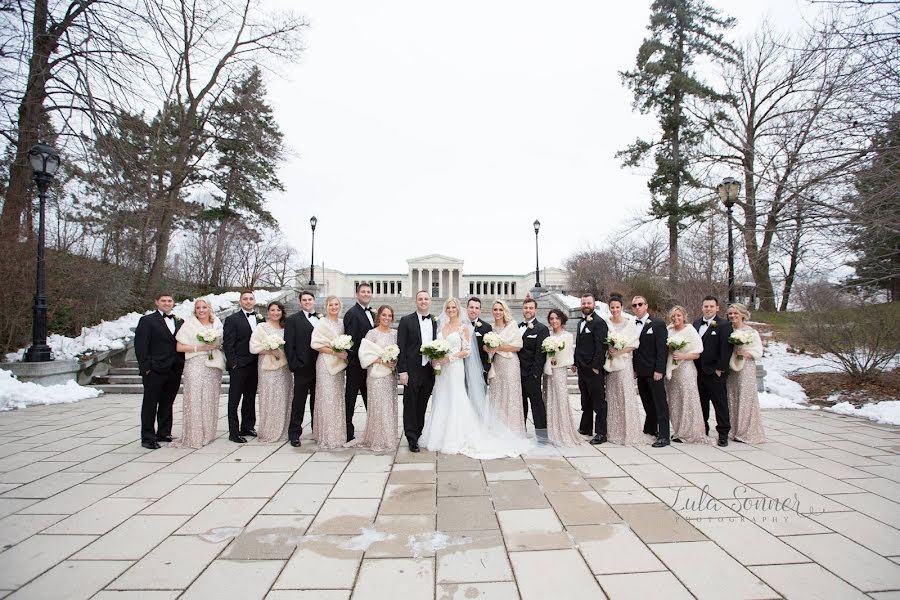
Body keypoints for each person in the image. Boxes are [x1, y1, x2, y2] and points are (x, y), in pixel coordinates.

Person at [419, 297, 532, 458]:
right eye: (448, 307)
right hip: (442, 371)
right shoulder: (441, 326)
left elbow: (467, 351)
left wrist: (448, 359)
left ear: (458, 309)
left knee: (457, 399)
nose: (451, 310)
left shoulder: (463, 327)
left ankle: (457, 436)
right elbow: (437, 347)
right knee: (442, 398)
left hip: (455, 367)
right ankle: (438, 435)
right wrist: (435, 358)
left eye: (453, 307)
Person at [170, 298, 224, 449]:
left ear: (209, 308)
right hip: (195, 363)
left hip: (213, 366)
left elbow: (220, 342)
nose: (201, 310)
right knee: (194, 398)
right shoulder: (189, 324)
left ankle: (208, 433)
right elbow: (179, 347)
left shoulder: (217, 324)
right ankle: (194, 434)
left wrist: (215, 345)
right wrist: (198, 348)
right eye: (198, 308)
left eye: (204, 307)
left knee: (209, 399)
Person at [134, 292, 185, 450]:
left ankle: (164, 432)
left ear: (173, 303)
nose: (167, 303)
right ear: (157, 302)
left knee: (167, 402)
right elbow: (141, 346)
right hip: (154, 369)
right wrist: (146, 368)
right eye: (163, 301)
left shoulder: (179, 321)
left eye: (169, 301)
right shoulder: (147, 321)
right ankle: (147, 437)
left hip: (174, 369)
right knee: (150, 404)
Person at [347, 305, 399, 452]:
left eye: (389, 315)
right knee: (377, 405)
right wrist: (382, 360)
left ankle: (389, 437)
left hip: (389, 376)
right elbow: (364, 354)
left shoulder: (395, 334)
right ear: (379, 317)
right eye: (384, 315)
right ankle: (376, 437)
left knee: (388, 406)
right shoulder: (371, 333)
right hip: (375, 376)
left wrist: (395, 361)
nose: (386, 318)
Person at [604, 294, 652, 446]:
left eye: (617, 307)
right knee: (613, 396)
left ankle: (629, 431)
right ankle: (615, 430)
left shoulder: (629, 323)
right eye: (612, 307)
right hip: (612, 364)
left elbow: (634, 344)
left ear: (622, 308)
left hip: (624, 363)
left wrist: (620, 351)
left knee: (626, 395)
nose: (615, 310)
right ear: (609, 308)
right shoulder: (606, 323)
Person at [397, 291, 437, 452]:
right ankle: (411, 437)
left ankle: (419, 433)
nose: (423, 301)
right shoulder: (406, 321)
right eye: (420, 299)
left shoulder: (436, 321)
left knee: (422, 404)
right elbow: (401, 346)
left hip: (429, 370)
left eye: (426, 299)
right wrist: (402, 371)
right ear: (416, 301)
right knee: (410, 404)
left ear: (430, 301)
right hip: (412, 370)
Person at [665, 306, 710, 445]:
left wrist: (683, 355)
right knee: (674, 401)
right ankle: (679, 431)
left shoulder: (690, 330)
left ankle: (691, 432)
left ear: (684, 316)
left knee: (687, 399)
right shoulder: (669, 330)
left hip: (686, 369)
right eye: (673, 316)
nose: (676, 318)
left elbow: (697, 353)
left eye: (678, 315)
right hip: (672, 370)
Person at [310, 296, 349, 450]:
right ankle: (326, 434)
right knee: (326, 397)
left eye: (336, 304)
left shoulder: (341, 323)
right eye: (331, 305)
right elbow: (315, 344)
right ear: (326, 307)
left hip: (338, 366)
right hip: (325, 364)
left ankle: (337, 433)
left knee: (336, 397)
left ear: (340, 306)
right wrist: (335, 352)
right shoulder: (322, 323)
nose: (334, 307)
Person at [250, 301, 292, 443]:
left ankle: (283, 429)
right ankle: (268, 430)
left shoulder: (286, 327)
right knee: (269, 397)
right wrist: (270, 350)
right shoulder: (262, 327)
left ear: (282, 312)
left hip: (283, 367)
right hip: (267, 367)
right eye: (273, 310)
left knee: (283, 397)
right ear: (268, 312)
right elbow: (253, 348)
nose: (275, 313)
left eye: (278, 310)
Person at [693, 296, 733, 446]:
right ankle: (703, 430)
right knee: (701, 403)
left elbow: (726, 350)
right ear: (702, 307)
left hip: (714, 372)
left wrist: (720, 369)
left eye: (711, 306)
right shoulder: (696, 324)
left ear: (717, 308)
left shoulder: (724, 325)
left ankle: (723, 433)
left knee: (720, 404)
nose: (708, 309)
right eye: (705, 306)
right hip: (698, 371)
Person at [632, 295, 671, 448]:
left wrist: (659, 370)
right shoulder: (632, 325)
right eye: (634, 305)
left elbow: (662, 349)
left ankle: (664, 435)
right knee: (647, 403)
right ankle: (650, 430)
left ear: (646, 306)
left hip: (654, 371)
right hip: (640, 372)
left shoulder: (657, 324)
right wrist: (634, 369)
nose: (637, 307)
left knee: (660, 404)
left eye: (640, 304)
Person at [223, 290, 260, 443]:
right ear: (240, 301)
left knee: (250, 398)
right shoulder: (232, 319)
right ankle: (233, 432)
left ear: (255, 301)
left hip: (255, 365)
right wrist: (233, 363)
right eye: (245, 299)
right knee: (234, 399)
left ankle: (248, 426)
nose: (248, 301)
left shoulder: (260, 318)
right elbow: (228, 343)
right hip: (239, 365)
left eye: (251, 299)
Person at [726, 303, 766, 444]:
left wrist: (745, 353)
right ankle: (735, 429)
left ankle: (746, 431)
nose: (732, 316)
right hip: (731, 367)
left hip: (746, 367)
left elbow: (758, 351)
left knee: (746, 397)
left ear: (742, 314)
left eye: (735, 313)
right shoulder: (727, 330)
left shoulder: (750, 332)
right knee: (732, 396)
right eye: (730, 313)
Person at [542, 309, 583, 447]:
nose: (554, 321)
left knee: (560, 398)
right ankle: (551, 429)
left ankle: (563, 430)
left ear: (562, 320)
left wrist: (555, 357)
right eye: (551, 318)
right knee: (549, 398)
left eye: (556, 318)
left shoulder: (567, 336)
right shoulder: (548, 335)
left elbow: (567, 355)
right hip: (549, 371)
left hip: (559, 371)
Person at [284, 291, 320, 447]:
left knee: (316, 401)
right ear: (300, 302)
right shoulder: (292, 320)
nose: (307, 302)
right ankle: (294, 433)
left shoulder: (320, 319)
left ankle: (316, 430)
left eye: (309, 299)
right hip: (302, 367)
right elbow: (289, 344)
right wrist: (294, 365)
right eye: (304, 300)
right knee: (299, 401)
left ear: (314, 301)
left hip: (319, 366)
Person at [574, 293, 609, 444]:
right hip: (582, 368)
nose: (586, 306)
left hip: (593, 369)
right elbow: (580, 344)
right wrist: (576, 363)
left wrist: (596, 367)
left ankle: (601, 433)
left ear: (594, 304)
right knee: (585, 400)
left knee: (598, 402)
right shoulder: (580, 322)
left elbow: (601, 347)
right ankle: (586, 427)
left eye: (588, 303)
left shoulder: (599, 322)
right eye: (583, 303)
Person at [487, 299, 526, 435]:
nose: (498, 312)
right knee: (497, 394)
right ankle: (497, 429)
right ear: (492, 311)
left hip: (510, 364)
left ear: (504, 311)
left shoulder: (512, 325)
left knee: (510, 395)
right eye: (495, 309)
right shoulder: (490, 328)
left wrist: (498, 347)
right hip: (496, 364)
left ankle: (513, 430)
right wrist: (489, 348)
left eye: (500, 309)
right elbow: (486, 347)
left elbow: (518, 346)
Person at [343, 283, 375, 441]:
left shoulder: (371, 313)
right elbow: (350, 340)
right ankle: (347, 431)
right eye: (363, 292)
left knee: (370, 398)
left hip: (368, 365)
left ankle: (374, 429)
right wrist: (357, 360)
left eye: (368, 292)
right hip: (356, 365)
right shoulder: (352, 313)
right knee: (350, 399)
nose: (366, 294)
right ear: (357, 294)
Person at [519, 298, 549, 438]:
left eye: (530, 308)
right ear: (522, 309)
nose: (528, 310)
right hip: (517, 374)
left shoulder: (542, 329)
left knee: (537, 406)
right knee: (521, 405)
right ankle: (521, 432)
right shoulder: (518, 327)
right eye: (526, 308)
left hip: (532, 375)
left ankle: (542, 436)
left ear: (535, 310)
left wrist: (536, 375)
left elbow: (540, 355)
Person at [466, 297, 493, 382]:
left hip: (479, 370)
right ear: (467, 308)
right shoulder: (459, 324)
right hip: (461, 369)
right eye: (471, 307)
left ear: (480, 310)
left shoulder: (486, 327)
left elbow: (490, 350)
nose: (474, 310)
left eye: (477, 308)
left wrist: (485, 370)